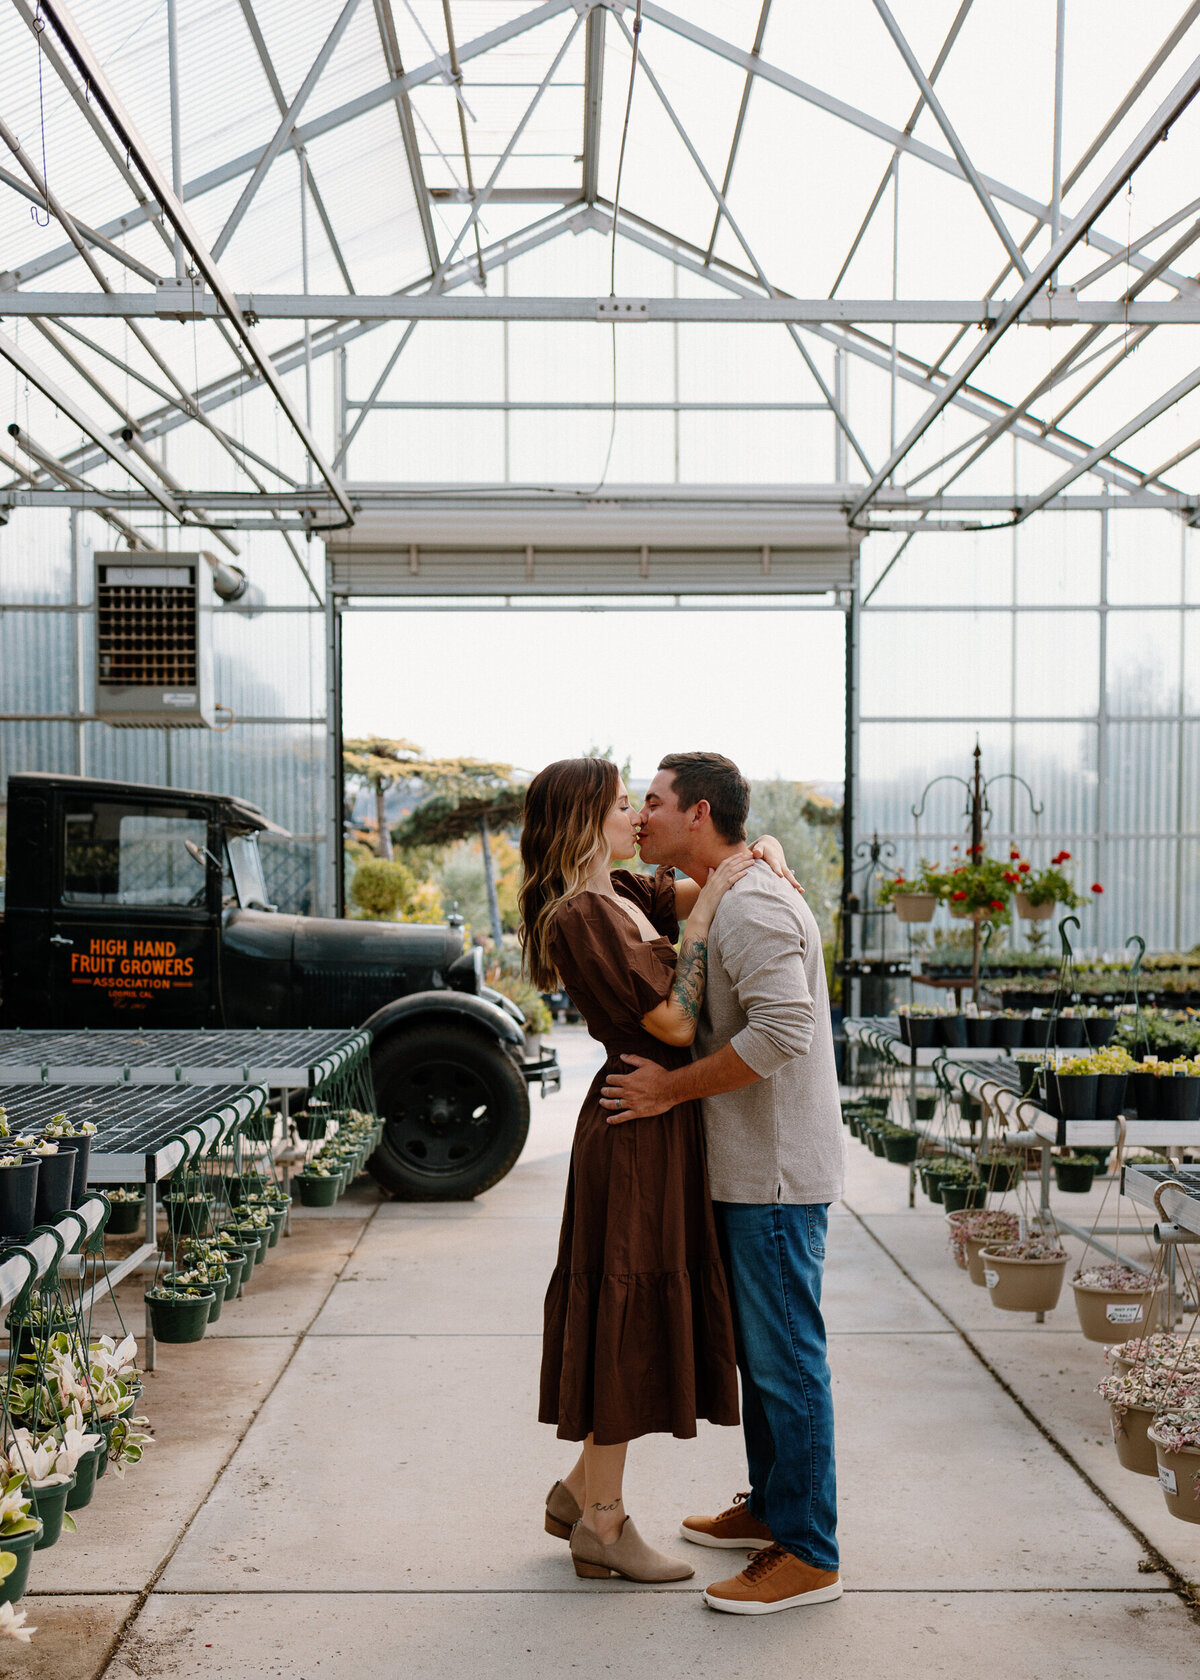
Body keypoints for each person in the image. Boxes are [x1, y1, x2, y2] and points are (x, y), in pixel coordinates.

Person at [520, 757, 800, 1585]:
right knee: (629, 1313)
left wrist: (765, 847)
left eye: (641, 805)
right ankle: (602, 1524)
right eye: (619, 806)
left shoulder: (625, 896)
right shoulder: (582, 916)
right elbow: (675, 1024)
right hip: (636, 1123)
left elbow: (720, 866)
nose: (636, 819)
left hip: (658, 1122)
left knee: (638, 1303)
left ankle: (579, 1493)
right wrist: (710, 908)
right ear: (583, 820)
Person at [602, 750, 845, 1616]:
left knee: (787, 1361)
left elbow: (784, 1032)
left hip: (775, 1175)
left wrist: (668, 1088)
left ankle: (811, 1551)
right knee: (765, 1353)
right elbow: (620, 877)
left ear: (700, 813)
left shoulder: (753, 906)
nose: (642, 819)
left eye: (656, 804)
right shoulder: (720, 894)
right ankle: (777, 1508)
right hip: (752, 1171)